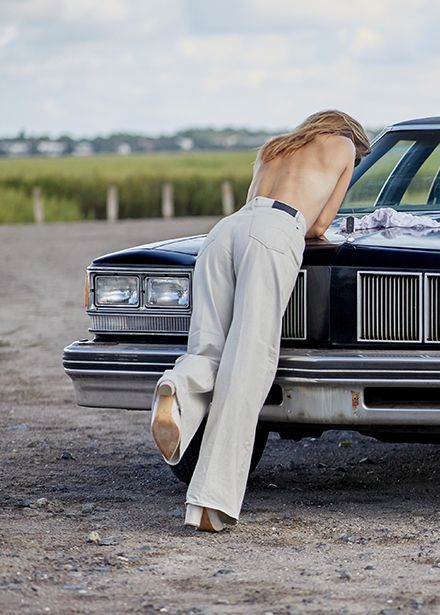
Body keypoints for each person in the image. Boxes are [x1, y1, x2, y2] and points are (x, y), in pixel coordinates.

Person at [150, 110, 371, 532]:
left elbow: (253, 202)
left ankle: (175, 390)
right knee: (248, 362)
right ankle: (210, 505)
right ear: (353, 139)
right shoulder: (344, 148)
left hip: (224, 232)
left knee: (208, 347)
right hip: (276, 231)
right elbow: (321, 223)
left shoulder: (275, 146)